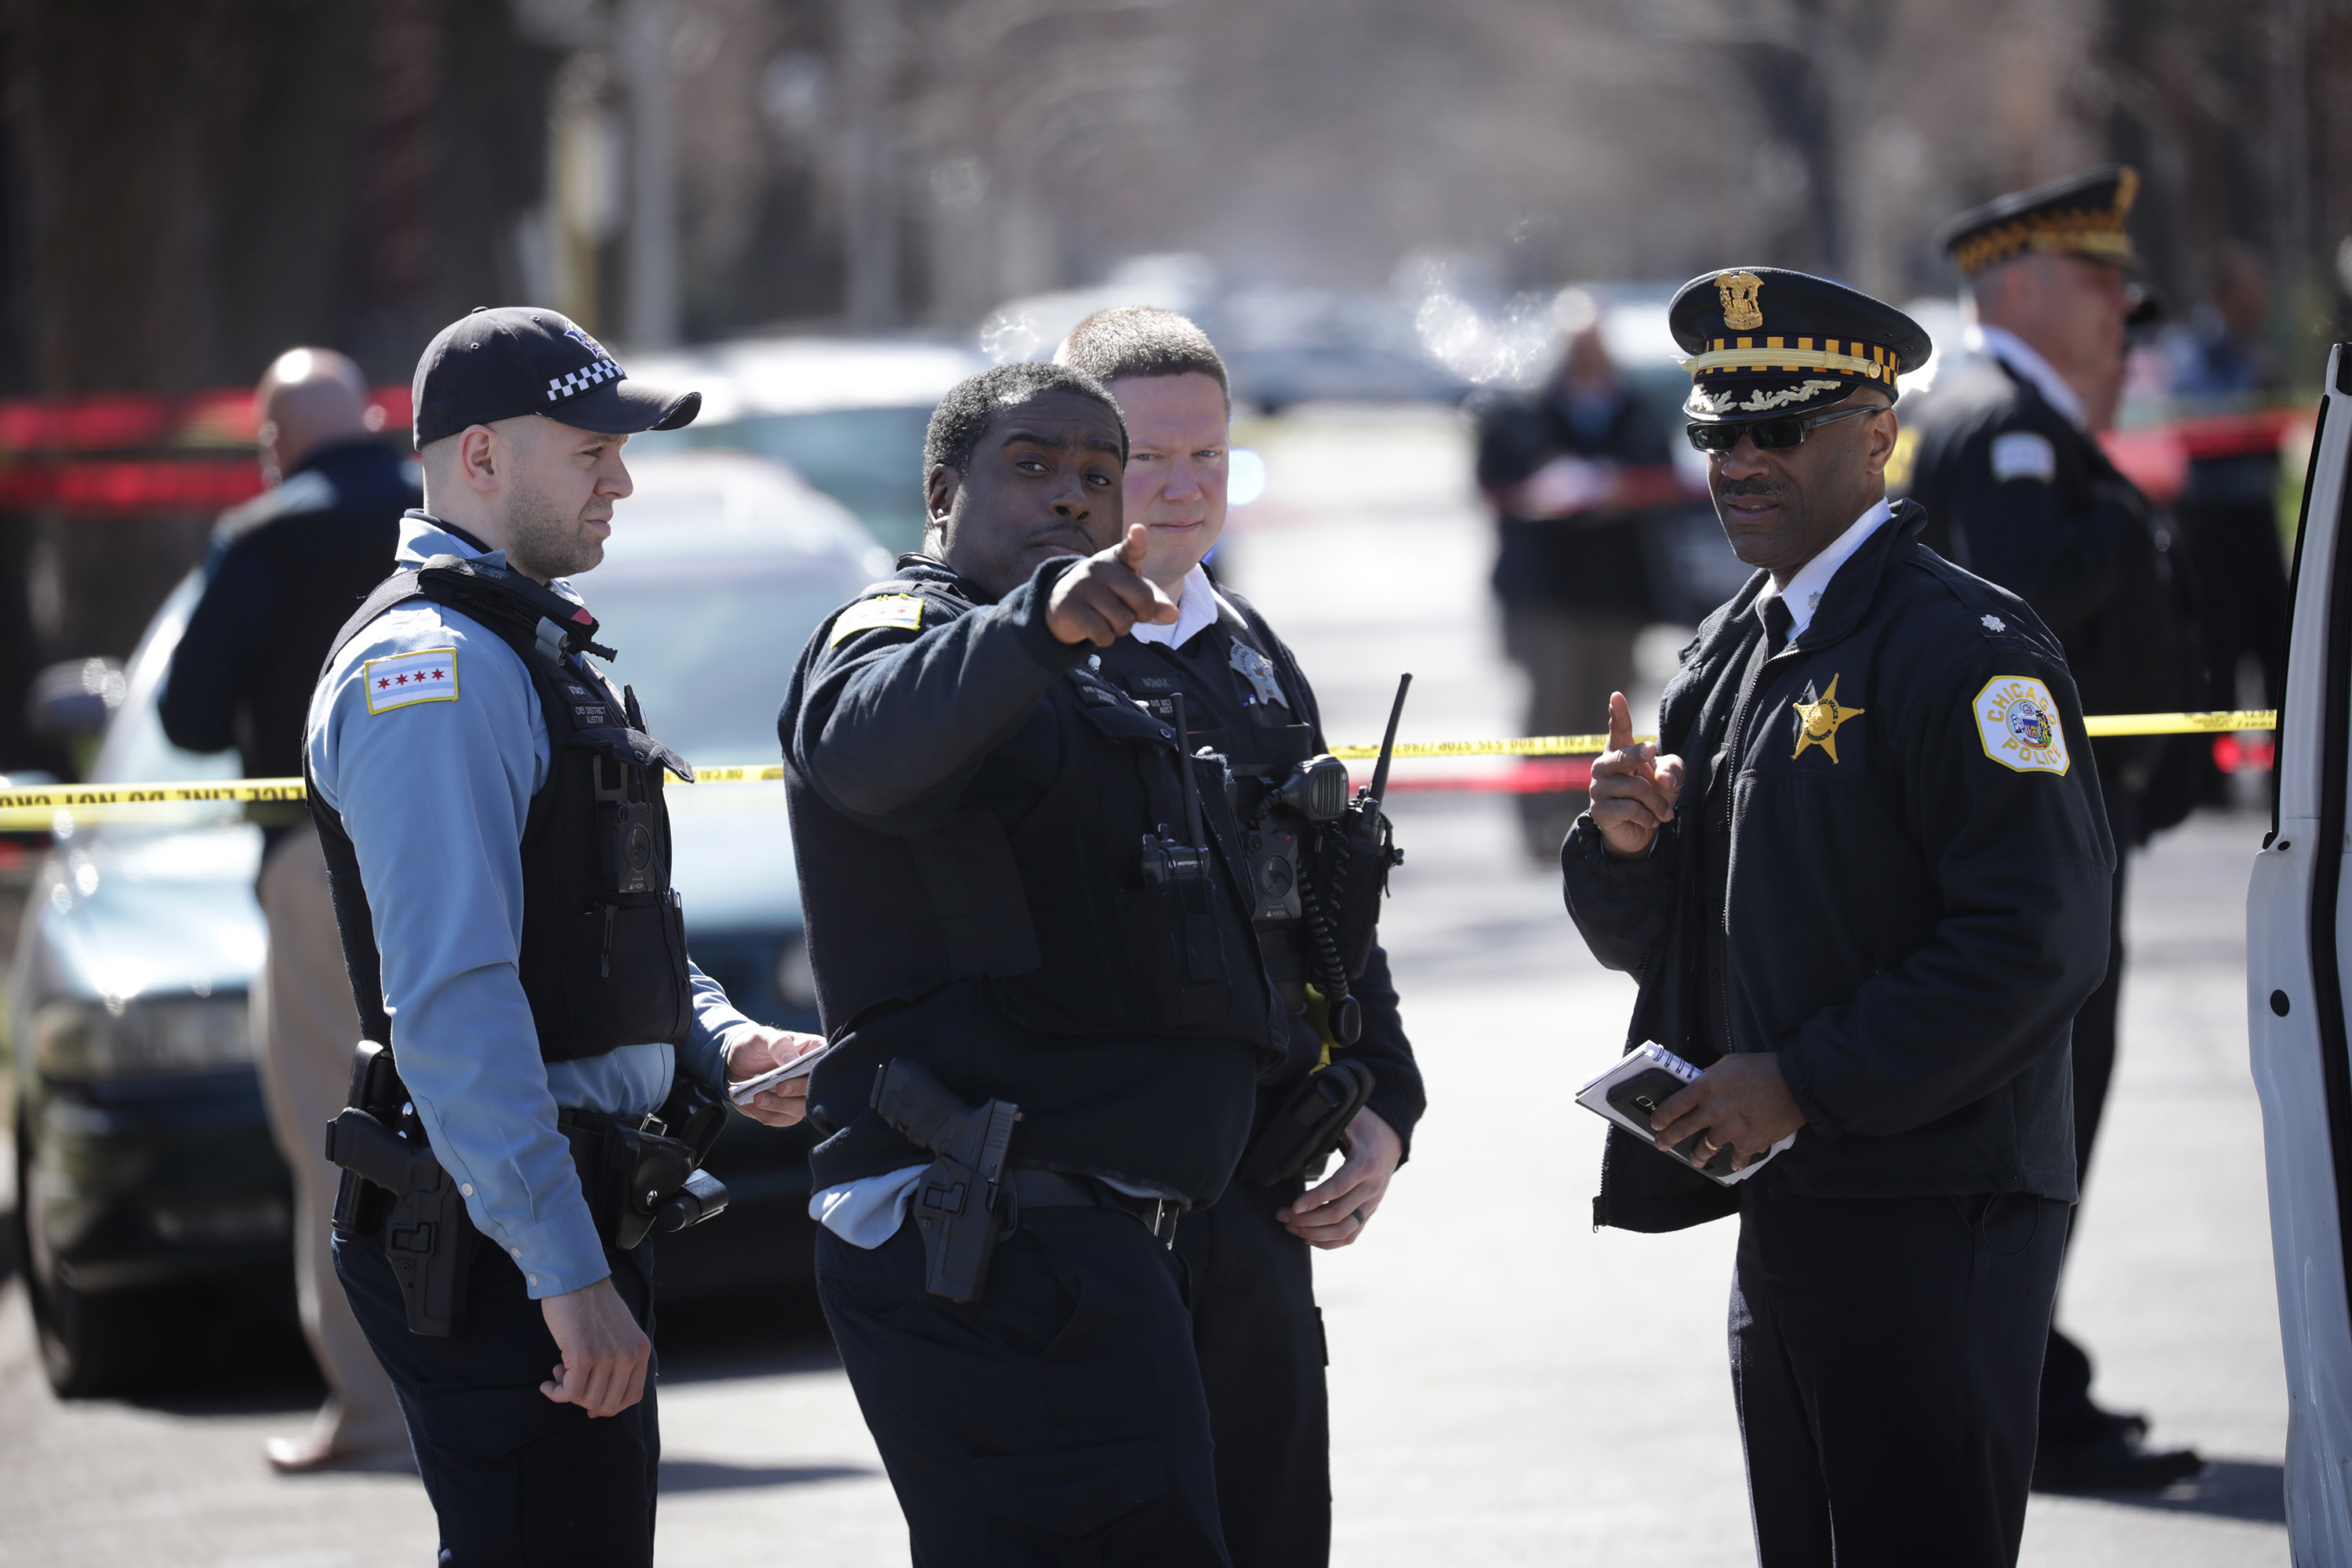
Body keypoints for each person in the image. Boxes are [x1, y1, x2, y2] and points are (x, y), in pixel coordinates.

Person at [1567, 267, 2114, 1566]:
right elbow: (1663, 936)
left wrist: (1804, 1082)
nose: (1742, 460)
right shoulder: (1737, 649)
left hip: (1939, 1206)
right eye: (1719, 430)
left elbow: (2036, 941)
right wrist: (1627, 847)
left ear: (1878, 432)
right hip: (1798, 1199)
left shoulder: (1968, 648)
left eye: (1783, 427)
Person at [304, 307, 816, 1566]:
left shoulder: (513, 641)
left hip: (544, 1216)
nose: (623, 479)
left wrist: (719, 1040)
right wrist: (561, 1271)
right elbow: (455, 999)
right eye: (592, 450)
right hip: (499, 1238)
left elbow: (591, 925)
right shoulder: (436, 669)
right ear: (480, 457)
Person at [782, 361, 1290, 1564]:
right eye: (1034, 467)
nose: (1071, 496)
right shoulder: (906, 631)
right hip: (996, 1238)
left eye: (1096, 477)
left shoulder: (1096, 665)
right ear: (942, 491)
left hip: (1101, 1239)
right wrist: (1038, 624)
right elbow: (865, 749)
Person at [1054, 306, 1425, 1568]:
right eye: (1145, 459)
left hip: (1259, 1206)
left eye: (1206, 455)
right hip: (1094, 1207)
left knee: (1273, 1535)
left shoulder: (1252, 652)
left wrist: (1384, 1108)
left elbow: (1334, 909)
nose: (1181, 487)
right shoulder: (1022, 661)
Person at [1900, 166, 2205, 1490]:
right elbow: (2020, 608)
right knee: (2043, 1117)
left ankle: (2022, 1371)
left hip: (2048, 838)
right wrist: (2128, 532)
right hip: (2039, 848)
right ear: (2019, 285)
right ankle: (2009, 1388)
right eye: (2098, 284)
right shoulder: (2009, 425)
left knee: (2047, 1117)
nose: (2121, 315)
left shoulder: (2000, 414)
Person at [157, 347, 417, 1472]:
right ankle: (537, 1373)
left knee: (338, 1130)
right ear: (369, 417)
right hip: (492, 839)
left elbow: (186, 714)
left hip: (321, 861)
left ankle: (372, 1409)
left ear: (273, 441)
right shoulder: (442, 509)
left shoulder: (262, 534)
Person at [1471, 314, 1675, 858]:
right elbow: (1493, 482)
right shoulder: (1525, 412)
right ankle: (1542, 823)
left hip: (1618, 593)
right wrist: (1544, 485)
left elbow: (1665, 477)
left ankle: (1600, 824)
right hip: (1545, 593)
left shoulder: (1633, 408)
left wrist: (1617, 488)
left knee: (1607, 713)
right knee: (1551, 710)